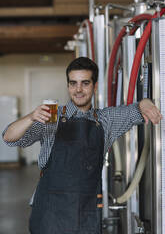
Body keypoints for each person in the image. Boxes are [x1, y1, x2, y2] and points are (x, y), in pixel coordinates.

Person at [2, 57, 162, 234]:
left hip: (87, 213)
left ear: (94, 86)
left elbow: (137, 111)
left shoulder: (106, 120)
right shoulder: (50, 117)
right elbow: (9, 137)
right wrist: (31, 116)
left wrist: (144, 103)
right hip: (49, 212)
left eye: (85, 83)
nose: (78, 89)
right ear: (68, 86)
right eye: (73, 83)